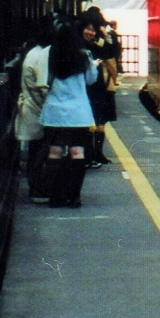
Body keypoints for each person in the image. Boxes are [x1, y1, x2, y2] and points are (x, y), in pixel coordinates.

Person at [39, 16, 100, 208]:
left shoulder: (49, 55)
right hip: (78, 114)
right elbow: (91, 80)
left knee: (55, 152)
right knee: (77, 152)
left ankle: (55, 196)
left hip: (55, 113)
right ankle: (73, 196)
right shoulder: (84, 56)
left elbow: (45, 81)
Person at [15, 32, 53, 200]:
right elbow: (42, 87)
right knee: (39, 151)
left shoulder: (33, 53)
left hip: (31, 107)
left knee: (36, 150)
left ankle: (37, 187)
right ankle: (37, 189)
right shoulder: (40, 56)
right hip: (36, 109)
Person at [82, 7, 122, 165]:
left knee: (95, 121)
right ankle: (96, 154)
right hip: (99, 85)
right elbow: (111, 56)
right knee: (99, 121)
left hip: (96, 85)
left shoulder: (92, 42)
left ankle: (93, 154)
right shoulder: (97, 43)